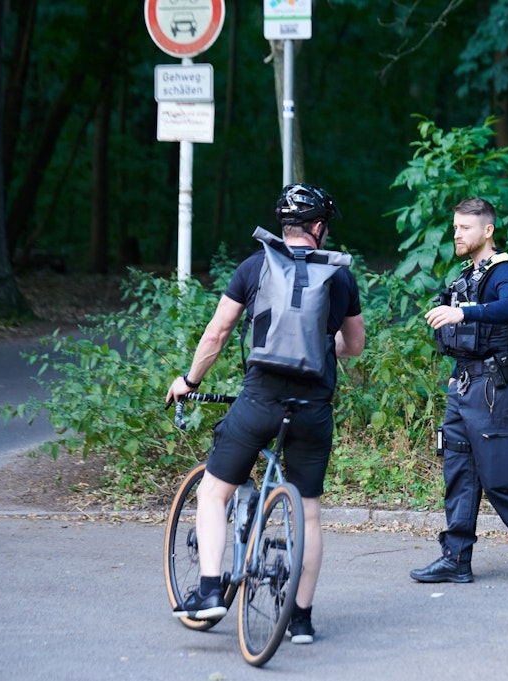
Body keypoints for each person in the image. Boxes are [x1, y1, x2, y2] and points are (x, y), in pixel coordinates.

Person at [165, 183, 365, 644]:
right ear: (318, 228)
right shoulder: (340, 277)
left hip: (259, 402)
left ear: (286, 225)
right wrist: (324, 342)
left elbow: (216, 335)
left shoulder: (254, 266)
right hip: (312, 409)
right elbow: (353, 346)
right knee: (309, 514)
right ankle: (300, 620)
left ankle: (211, 590)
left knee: (214, 493)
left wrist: (189, 381)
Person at [410, 197, 508, 585]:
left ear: (488, 230)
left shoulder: (507, 272)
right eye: (454, 227)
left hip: (492, 389)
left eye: (464, 227)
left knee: (498, 477)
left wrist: (463, 312)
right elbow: (470, 339)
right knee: (459, 471)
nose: (456, 234)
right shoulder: (472, 274)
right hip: (466, 384)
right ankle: (455, 558)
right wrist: (456, 372)